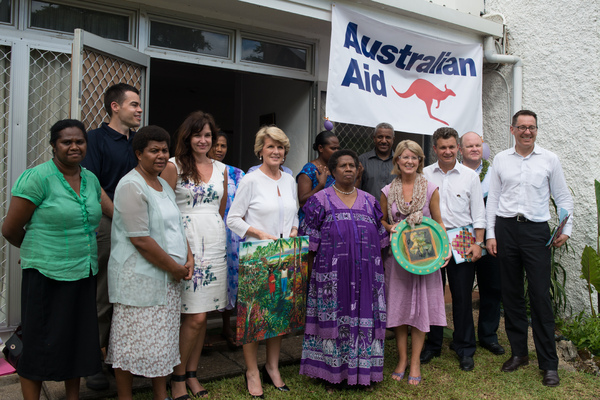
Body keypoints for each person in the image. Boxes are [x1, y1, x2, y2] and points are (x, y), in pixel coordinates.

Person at [2, 119, 102, 400]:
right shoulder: (37, 178)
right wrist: (35, 249)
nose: (74, 146)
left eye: (79, 141)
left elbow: (108, 213)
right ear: (53, 146)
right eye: (66, 142)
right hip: (45, 274)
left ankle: (72, 397)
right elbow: (10, 228)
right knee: (38, 343)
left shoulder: (90, 179)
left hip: (83, 271)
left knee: (77, 341)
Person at [486, 110, 573, 387]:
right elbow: (494, 199)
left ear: (536, 130)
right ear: (512, 130)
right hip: (506, 229)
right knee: (511, 295)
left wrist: (565, 229)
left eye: (531, 127)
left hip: (536, 233)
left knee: (539, 297)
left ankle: (549, 364)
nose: (527, 132)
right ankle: (519, 354)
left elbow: (562, 197)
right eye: (521, 127)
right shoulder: (501, 159)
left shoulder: (550, 159)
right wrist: (491, 234)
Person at [105, 126, 193, 400]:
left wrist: (188, 257)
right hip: (139, 280)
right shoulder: (131, 185)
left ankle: (160, 394)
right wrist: (175, 267)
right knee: (130, 344)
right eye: (153, 150)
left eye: (164, 150)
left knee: (162, 342)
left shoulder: (163, 183)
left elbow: (177, 225)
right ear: (138, 153)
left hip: (167, 279)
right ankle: (125, 396)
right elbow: (140, 239)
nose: (160, 155)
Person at [299, 149, 388, 388]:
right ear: (333, 171)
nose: (348, 169)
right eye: (342, 166)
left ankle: (364, 374)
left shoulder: (370, 201)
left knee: (364, 321)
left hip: (367, 278)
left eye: (352, 165)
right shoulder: (320, 200)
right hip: (331, 277)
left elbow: (382, 241)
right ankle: (331, 374)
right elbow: (308, 243)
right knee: (334, 323)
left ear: (358, 169)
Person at [227, 126, 299, 398]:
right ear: (260, 150)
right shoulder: (251, 180)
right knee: (254, 319)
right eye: (270, 146)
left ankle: (272, 367)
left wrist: (293, 229)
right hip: (257, 257)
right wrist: (257, 232)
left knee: (278, 316)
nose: (276, 151)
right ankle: (252, 371)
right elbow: (233, 219)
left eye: (280, 147)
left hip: (283, 257)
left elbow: (294, 213)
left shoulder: (289, 180)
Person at [162, 111, 228, 399]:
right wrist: (183, 247)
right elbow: (164, 210)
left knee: (205, 311)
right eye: (198, 134)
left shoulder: (222, 169)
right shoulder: (173, 165)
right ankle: (176, 377)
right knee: (194, 316)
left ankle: (192, 373)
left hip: (214, 242)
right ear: (187, 137)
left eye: (208, 135)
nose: (203, 140)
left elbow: (221, 208)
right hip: (184, 243)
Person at [81, 83, 142, 390]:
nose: (139, 109)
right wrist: (120, 217)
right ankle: (92, 361)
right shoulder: (94, 139)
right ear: (115, 107)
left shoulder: (138, 143)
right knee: (103, 295)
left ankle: (121, 360)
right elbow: (92, 185)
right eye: (134, 104)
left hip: (139, 228)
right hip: (108, 225)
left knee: (130, 294)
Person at [381, 140, 447, 386]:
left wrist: (445, 250)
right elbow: (383, 221)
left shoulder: (430, 189)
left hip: (424, 261)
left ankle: (416, 361)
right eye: (404, 157)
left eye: (414, 157)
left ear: (420, 161)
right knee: (398, 309)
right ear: (397, 160)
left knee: (420, 310)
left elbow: (439, 223)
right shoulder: (388, 190)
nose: (409, 161)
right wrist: (392, 227)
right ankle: (401, 359)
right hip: (397, 261)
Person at [421, 127, 486, 372]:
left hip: (462, 238)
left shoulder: (470, 176)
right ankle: (433, 344)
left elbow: (479, 214)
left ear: (458, 148)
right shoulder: (424, 174)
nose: (447, 151)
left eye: (451, 147)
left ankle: (465, 347)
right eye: (442, 147)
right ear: (434, 149)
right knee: (433, 294)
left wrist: (478, 243)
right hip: (432, 238)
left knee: (462, 296)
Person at [459, 132, 504, 356]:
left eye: (478, 145)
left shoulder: (494, 173)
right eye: (469, 146)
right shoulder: (455, 173)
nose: (474, 149)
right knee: (462, 289)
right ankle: (463, 336)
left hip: (491, 238)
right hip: (463, 238)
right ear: (461, 150)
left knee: (492, 287)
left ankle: (488, 336)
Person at [208, 131, 245, 349]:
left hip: (232, 235)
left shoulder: (236, 173)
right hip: (208, 232)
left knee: (231, 279)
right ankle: (201, 332)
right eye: (216, 145)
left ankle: (226, 325)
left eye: (223, 145)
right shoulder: (198, 172)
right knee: (208, 278)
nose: (220, 149)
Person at [296, 131, 339, 224]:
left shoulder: (335, 169)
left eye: (338, 148)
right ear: (320, 148)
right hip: (311, 224)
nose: (337, 152)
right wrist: (321, 185)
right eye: (333, 148)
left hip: (331, 223)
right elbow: (302, 202)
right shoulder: (309, 170)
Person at [358, 122, 395, 198]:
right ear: (374, 139)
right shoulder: (363, 160)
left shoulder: (400, 161)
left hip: (394, 209)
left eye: (388, 137)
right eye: (380, 137)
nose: (384, 141)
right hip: (369, 208)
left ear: (393, 140)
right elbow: (356, 188)